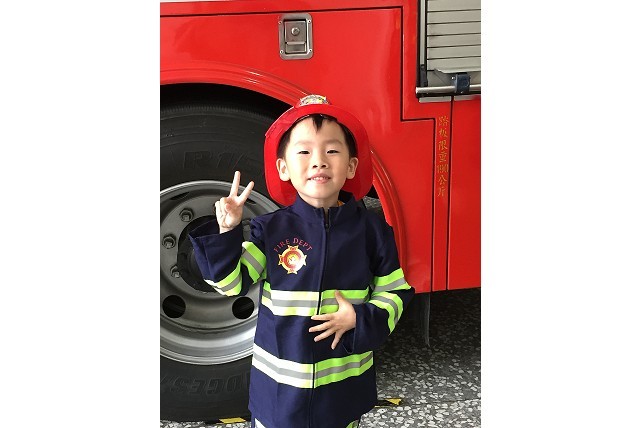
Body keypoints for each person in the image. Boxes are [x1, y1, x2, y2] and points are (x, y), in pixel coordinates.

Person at [189, 94, 415, 428]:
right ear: (283, 168)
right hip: (279, 392)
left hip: (342, 389)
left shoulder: (372, 231)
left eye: (332, 151)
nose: (319, 161)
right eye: (304, 151)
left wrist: (360, 317)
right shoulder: (270, 230)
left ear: (351, 165)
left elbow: (395, 292)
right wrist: (227, 231)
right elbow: (230, 284)